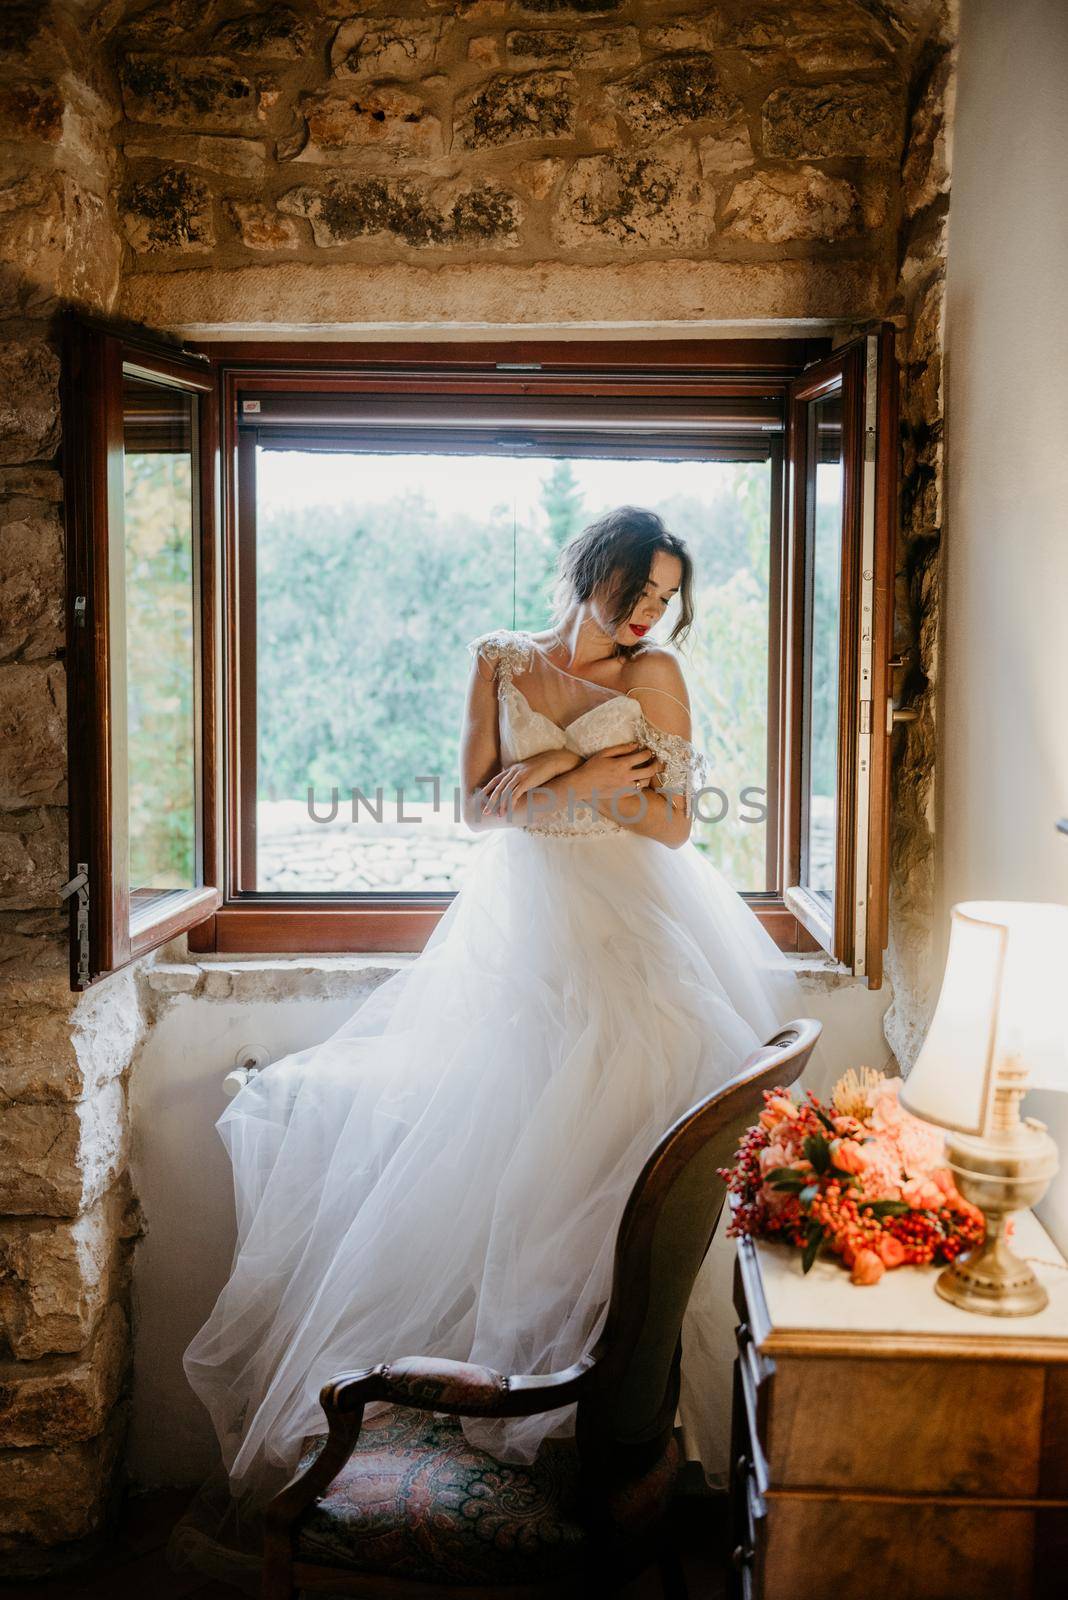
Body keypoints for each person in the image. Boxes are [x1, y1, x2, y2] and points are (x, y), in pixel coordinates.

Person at [173, 506, 829, 1580]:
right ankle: (521, 1403)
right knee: (511, 1173)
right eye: (640, 590)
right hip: (522, 937)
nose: (653, 612)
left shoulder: (657, 674)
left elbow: (672, 823)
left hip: (633, 934)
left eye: (668, 597)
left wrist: (565, 783)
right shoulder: (500, 658)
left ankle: (596, 1432)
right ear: (591, 573)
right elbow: (477, 809)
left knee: (604, 1174)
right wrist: (567, 786)